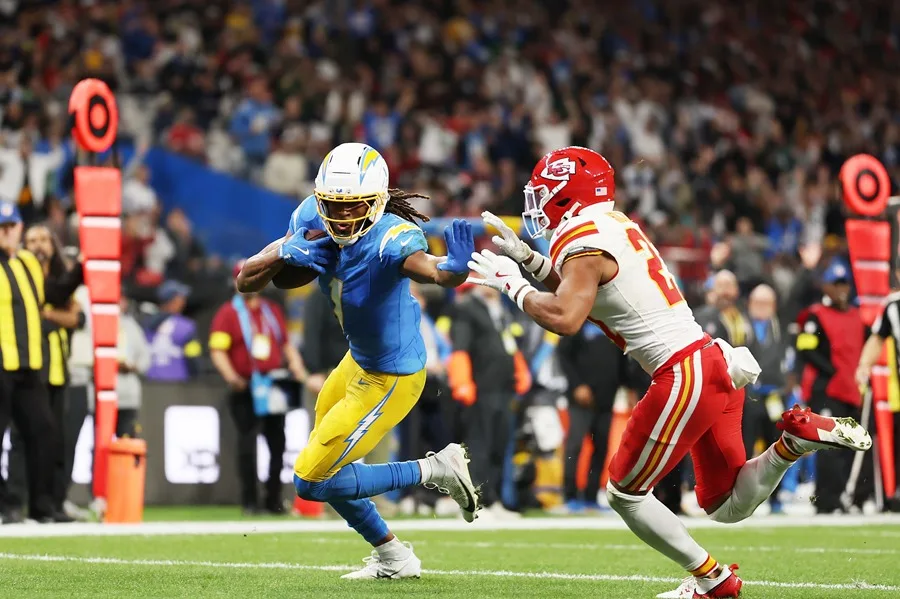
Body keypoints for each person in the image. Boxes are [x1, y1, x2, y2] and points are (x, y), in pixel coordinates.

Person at [466, 146, 872, 599]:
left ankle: (712, 580)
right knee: (724, 505)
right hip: (712, 362)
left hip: (681, 374)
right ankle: (790, 445)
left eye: (544, 193)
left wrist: (512, 284)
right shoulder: (614, 225)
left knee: (625, 495)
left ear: (568, 194)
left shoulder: (582, 241)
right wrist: (529, 259)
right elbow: (592, 291)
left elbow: (565, 315)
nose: (538, 204)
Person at [236, 143, 479, 579]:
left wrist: (455, 269)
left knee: (311, 480)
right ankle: (393, 556)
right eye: (335, 206)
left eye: (355, 207)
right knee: (329, 467)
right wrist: (284, 251)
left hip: (392, 376)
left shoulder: (391, 238)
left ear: (378, 201)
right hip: (357, 362)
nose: (343, 218)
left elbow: (434, 271)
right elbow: (246, 280)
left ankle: (435, 468)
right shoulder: (311, 216)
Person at [0, 203, 83, 524]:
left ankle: (42, 505)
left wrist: (81, 269)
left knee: (45, 432)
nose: (7, 232)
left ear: (19, 229)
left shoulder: (27, 264)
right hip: (2, 364)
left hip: (30, 365)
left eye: (11, 225)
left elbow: (56, 292)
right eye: (2, 226)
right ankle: (6, 503)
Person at [209, 262, 309, 515]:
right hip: (246, 386)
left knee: (278, 444)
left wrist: (296, 364)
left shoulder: (271, 310)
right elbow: (218, 350)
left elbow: (285, 344)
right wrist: (231, 377)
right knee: (247, 445)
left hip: (274, 384)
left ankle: (273, 500)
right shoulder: (228, 313)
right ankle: (250, 501)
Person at [795, 261, 868, 513]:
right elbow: (805, 348)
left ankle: (842, 496)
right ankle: (825, 500)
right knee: (829, 445)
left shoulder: (858, 316)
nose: (841, 289)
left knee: (849, 446)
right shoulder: (815, 315)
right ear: (826, 287)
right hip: (827, 390)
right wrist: (832, 371)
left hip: (852, 391)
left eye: (844, 284)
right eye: (836, 284)